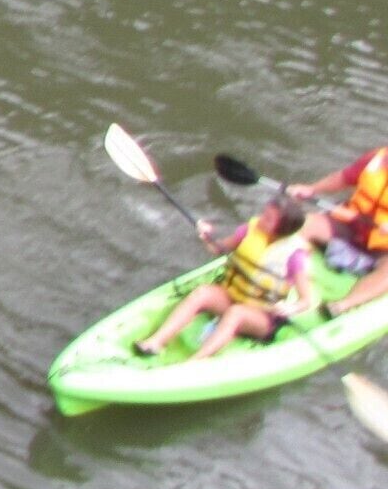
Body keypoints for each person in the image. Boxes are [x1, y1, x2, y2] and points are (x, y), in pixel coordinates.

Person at [132, 197, 316, 360]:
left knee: (236, 313)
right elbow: (217, 249)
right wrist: (206, 235)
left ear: (282, 229)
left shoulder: (295, 256)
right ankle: (156, 342)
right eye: (264, 214)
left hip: (261, 317)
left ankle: (195, 362)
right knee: (202, 293)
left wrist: (289, 308)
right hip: (230, 297)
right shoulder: (249, 231)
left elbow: (306, 300)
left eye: (268, 219)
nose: (261, 219)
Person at [291, 146, 388, 315]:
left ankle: (343, 306)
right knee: (304, 224)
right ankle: (285, 276)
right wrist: (312, 189)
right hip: (349, 226)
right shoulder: (378, 157)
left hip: (383, 248)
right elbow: (343, 178)